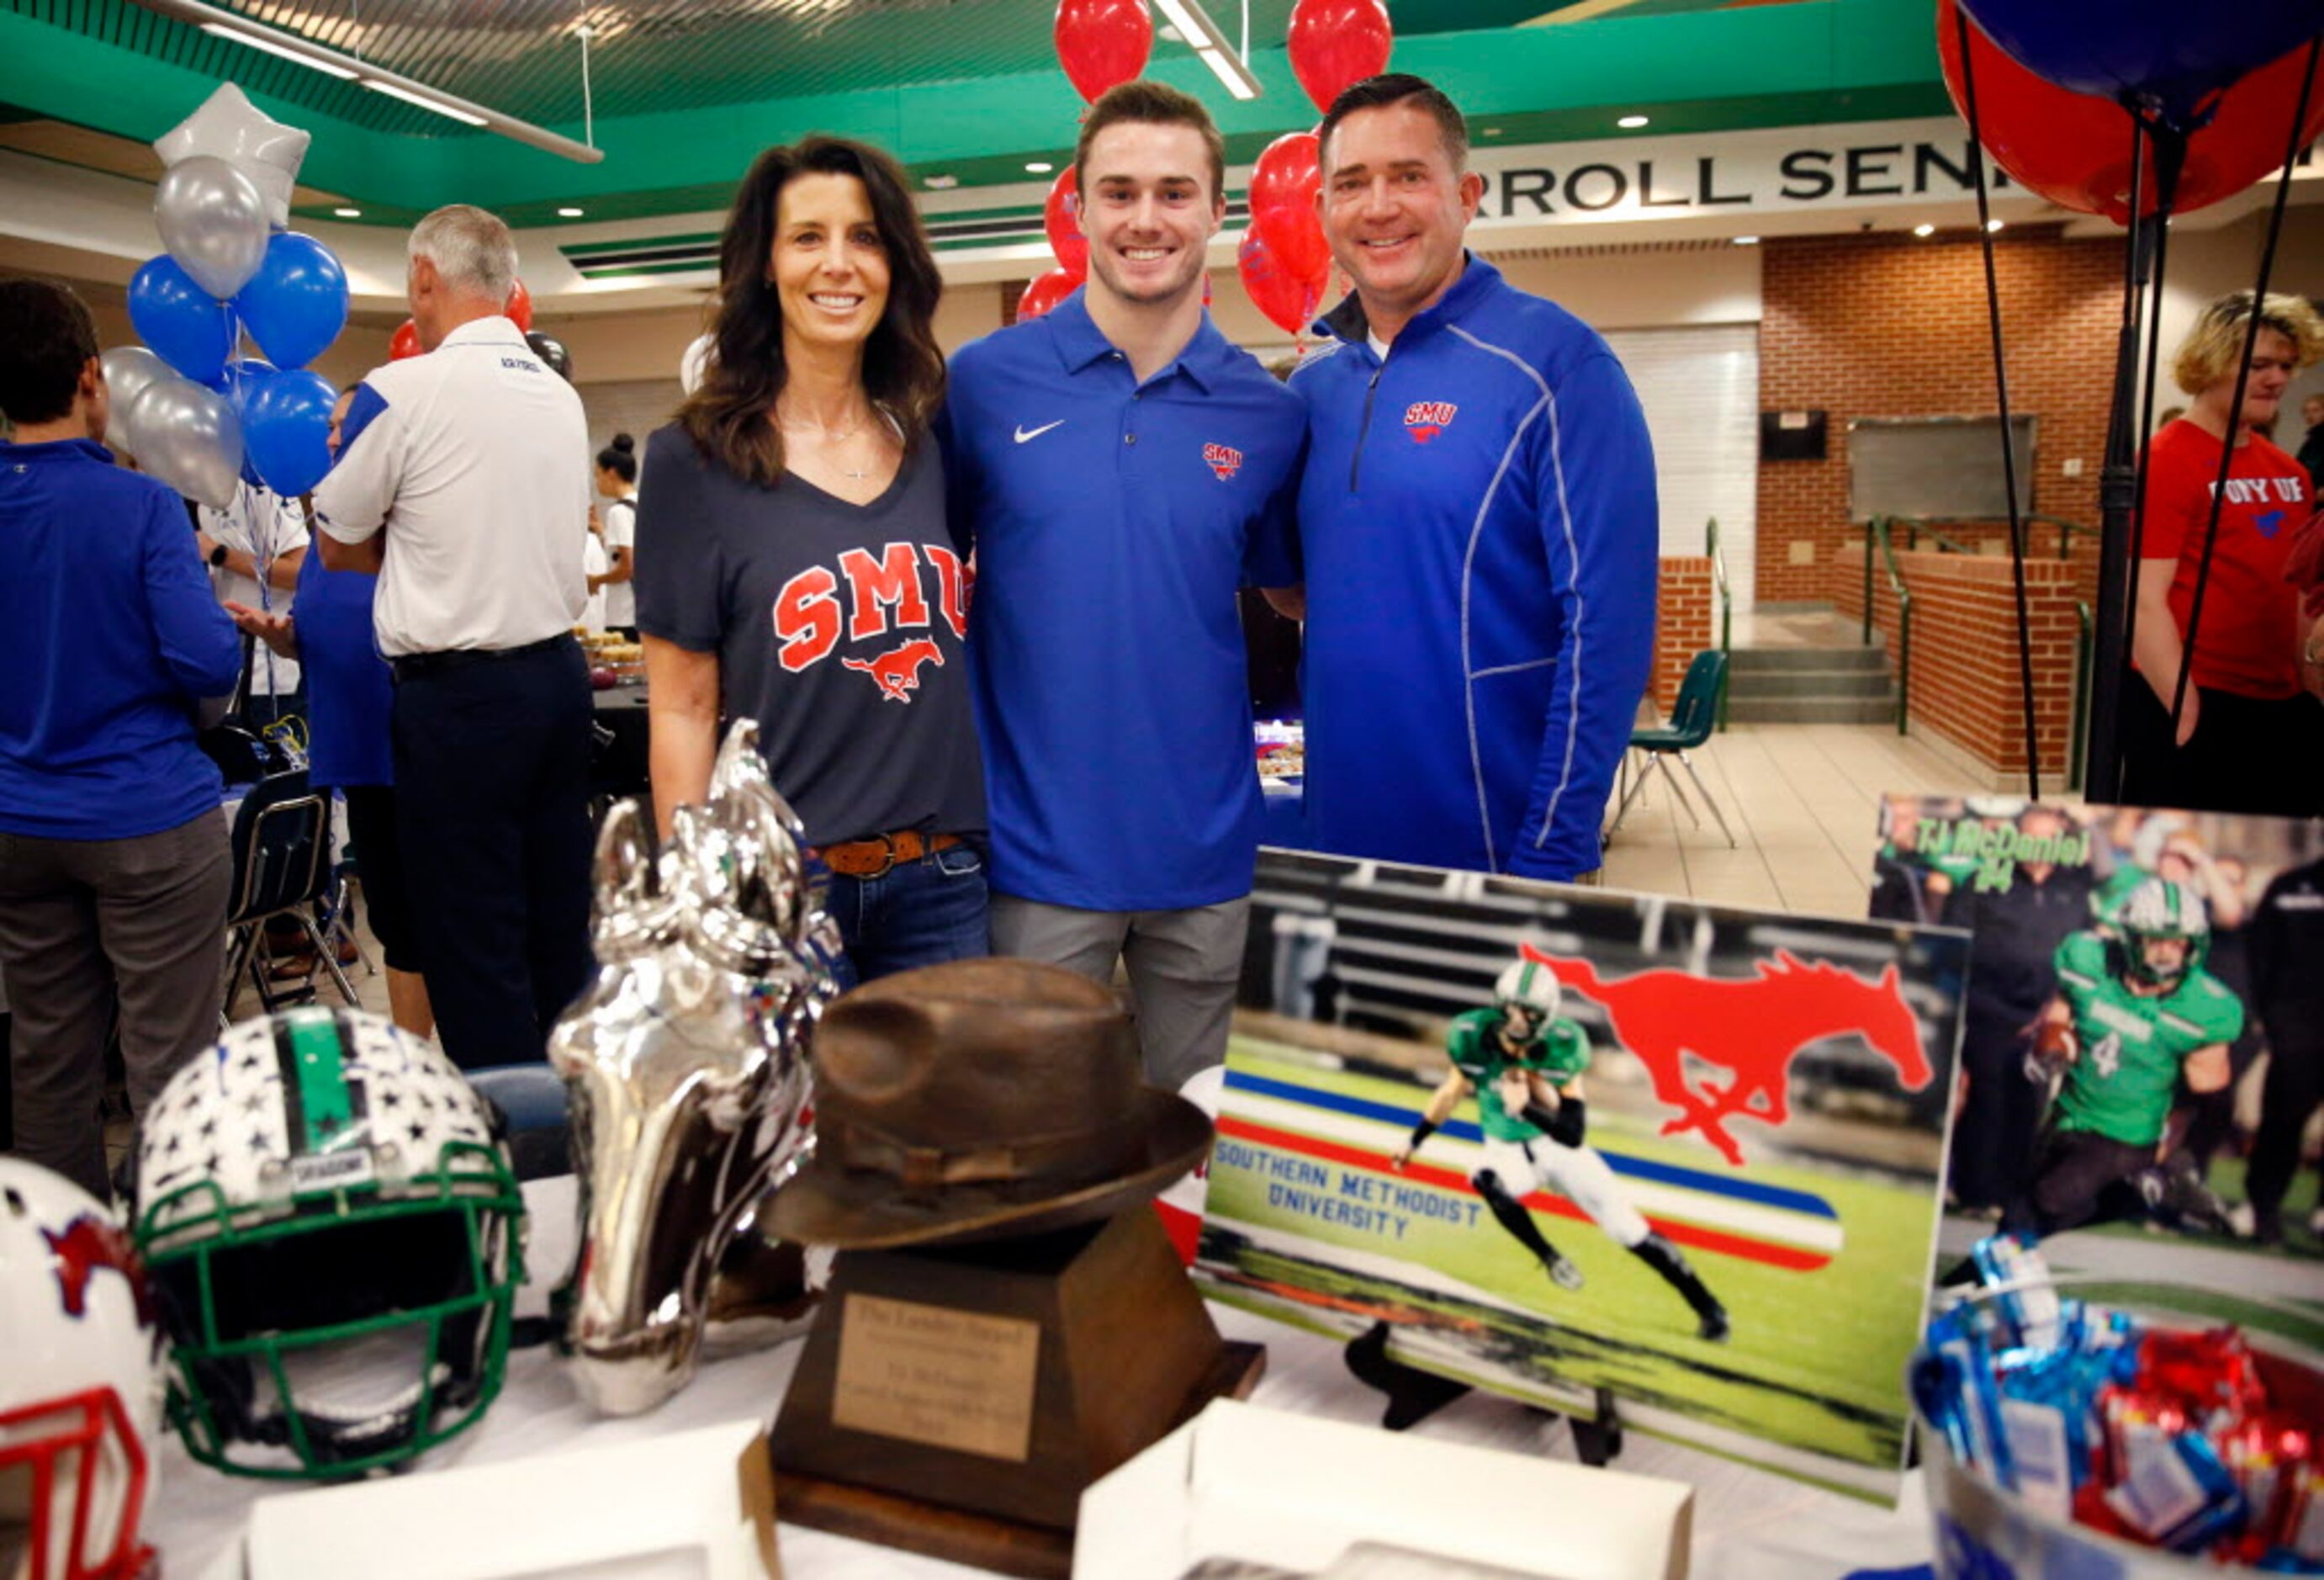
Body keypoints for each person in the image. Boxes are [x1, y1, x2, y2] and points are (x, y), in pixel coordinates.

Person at [940, 82, 1304, 1090]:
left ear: (1216, 213)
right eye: (1120, 192)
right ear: (1080, 208)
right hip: (1036, 863)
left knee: (1196, 1166)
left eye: (1176, 193)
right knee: (1035, 1158)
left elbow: (1299, 601)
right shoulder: (982, 384)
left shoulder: (1266, 414)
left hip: (1212, 863)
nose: (1147, 220)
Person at [635, 136, 986, 986]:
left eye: (865, 237)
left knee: (943, 1125)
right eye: (807, 237)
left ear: (895, 262)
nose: (839, 264)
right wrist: (696, 899)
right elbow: (681, 708)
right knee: (796, 1125)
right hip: (783, 891)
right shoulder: (692, 462)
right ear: (763, 263)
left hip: (942, 882)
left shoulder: (931, 443)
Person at [1290, 73, 1657, 882]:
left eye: (1408, 177)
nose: (1378, 206)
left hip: (1495, 851)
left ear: (1466, 194)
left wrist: (1553, 851)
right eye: (1351, 184)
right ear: (1323, 211)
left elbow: (1607, 630)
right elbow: (1296, 588)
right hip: (1336, 840)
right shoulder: (1312, 390)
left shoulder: (1558, 365)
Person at [313, 204, 594, 1068]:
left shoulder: (406, 389)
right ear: (510, 286)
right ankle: (576, 1116)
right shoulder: (558, 392)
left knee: (472, 938)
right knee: (556, 921)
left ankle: (515, 1140)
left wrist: (415, 541)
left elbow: (335, 536)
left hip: (459, 698)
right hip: (557, 679)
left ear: (424, 281)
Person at [0, 278, 241, 1198]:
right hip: (144, 819)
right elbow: (206, 657)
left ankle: (68, 1281)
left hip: (19, 824)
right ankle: (178, 1280)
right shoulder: (139, 506)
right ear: (91, 378)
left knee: (48, 1064)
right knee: (170, 1065)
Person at [224, 390, 432, 1039]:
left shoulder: (408, 524)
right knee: (396, 924)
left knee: (437, 918)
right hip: (357, 752)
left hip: (414, 750)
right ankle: (413, 1060)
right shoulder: (326, 532)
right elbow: (325, 627)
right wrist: (282, 636)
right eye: (331, 429)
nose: (332, 441)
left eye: (343, 427)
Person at [1391, 956, 1729, 1340]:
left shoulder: (1564, 1045)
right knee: (1484, 1178)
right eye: (1512, 1012)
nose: (1518, 1023)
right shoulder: (1470, 1036)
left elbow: (1572, 1133)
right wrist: (1414, 1140)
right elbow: (1451, 1091)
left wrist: (1528, 1107)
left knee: (1629, 1231)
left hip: (1557, 1149)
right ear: (1498, 1006)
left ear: (1547, 1017)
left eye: (1529, 1014)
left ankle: (1708, 1307)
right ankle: (1550, 1257)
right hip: (1506, 1151)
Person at [2121, 291, 2324, 817]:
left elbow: (2300, 592)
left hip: (2279, 704)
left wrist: (2312, 687)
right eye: (2258, 365)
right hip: (2199, 695)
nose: (2277, 379)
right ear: (2210, 362)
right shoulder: (2168, 460)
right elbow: (2144, 600)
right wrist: (2183, 709)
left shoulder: (2291, 473)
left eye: (2285, 365)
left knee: (2274, 880)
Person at [2009, 877, 2241, 1237]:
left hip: (2126, 1135)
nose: (2167, 954)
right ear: (2131, 937)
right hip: (2069, 1113)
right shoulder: (2088, 961)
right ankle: (1977, 1282)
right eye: (2156, 941)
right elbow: (2060, 1014)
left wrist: (2181, 1160)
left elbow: (2215, 1100)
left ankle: (2144, 1195)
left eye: (2178, 944)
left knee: (2050, 1200)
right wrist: (2049, 1048)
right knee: (2019, 1214)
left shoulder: (2203, 1009)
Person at [1934, 803, 2097, 1216]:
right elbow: (1954, 939)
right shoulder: (1984, 880)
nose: (2038, 846)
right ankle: (1975, 1190)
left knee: (2029, 1103)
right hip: (1989, 1005)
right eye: (2031, 836)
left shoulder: (2073, 891)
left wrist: (2064, 1008)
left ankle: (2008, 1193)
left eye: (2047, 838)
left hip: (2047, 1013)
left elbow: (2087, 952)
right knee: (1990, 1096)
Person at [2241, 852, 2324, 1245]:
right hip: (2298, 1031)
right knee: (2282, 1125)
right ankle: (2263, 1210)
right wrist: (2272, 1018)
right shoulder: (2290, 887)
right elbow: (2259, 954)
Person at [195, 483, 305, 729]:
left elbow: (300, 572)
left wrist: (219, 554)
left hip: (272, 679)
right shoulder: (205, 498)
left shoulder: (266, 490)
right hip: (227, 673)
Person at [592, 434, 639, 639]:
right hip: (641, 610)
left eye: (598, 474)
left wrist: (595, 580)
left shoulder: (618, 512)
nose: (597, 482)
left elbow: (627, 567)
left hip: (623, 613)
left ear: (611, 473)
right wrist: (601, 531)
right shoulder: (640, 504)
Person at [2295, 391, 2324, 499]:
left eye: (2316, 410)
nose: (2310, 415)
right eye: (2306, 411)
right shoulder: (2312, 438)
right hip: (2311, 491)